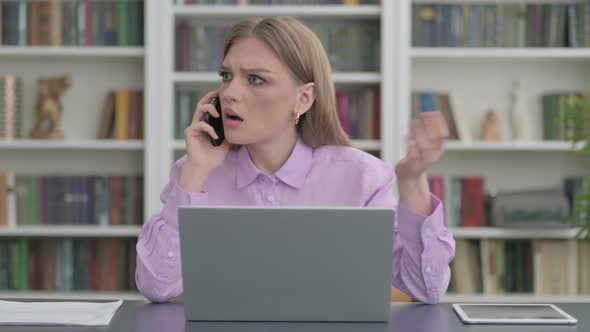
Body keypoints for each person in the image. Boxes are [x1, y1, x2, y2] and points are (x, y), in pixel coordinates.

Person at [135, 16, 455, 304]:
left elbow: (425, 290)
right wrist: (196, 171)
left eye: (256, 79)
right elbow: (156, 287)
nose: (230, 92)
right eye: (226, 75)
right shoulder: (196, 174)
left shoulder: (362, 178)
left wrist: (412, 183)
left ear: (303, 98)